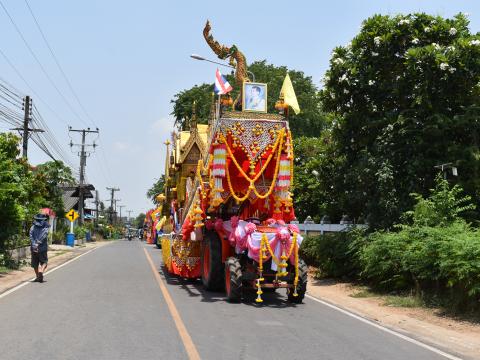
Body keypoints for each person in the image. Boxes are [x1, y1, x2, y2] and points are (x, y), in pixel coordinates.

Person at [30, 213, 50, 283]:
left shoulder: (33, 227)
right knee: (44, 262)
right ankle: (41, 271)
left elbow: (31, 236)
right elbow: (44, 236)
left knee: (35, 263)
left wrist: (34, 244)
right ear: (44, 219)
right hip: (42, 248)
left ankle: (37, 276)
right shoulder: (46, 227)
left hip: (33, 248)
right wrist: (39, 243)